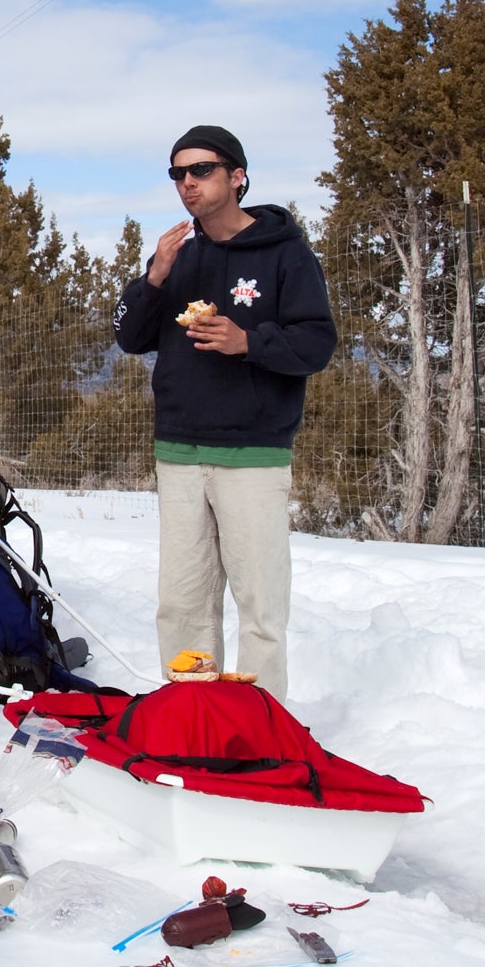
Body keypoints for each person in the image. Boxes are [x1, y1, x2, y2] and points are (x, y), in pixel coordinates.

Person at [113, 127, 336, 701]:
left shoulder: (286, 254)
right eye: (178, 174)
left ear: (237, 175)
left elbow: (317, 343)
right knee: (183, 603)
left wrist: (249, 342)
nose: (188, 183)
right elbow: (130, 338)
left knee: (260, 603)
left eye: (202, 170)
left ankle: (264, 725)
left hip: (252, 453)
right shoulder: (176, 254)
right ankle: (190, 714)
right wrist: (153, 277)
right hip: (180, 451)